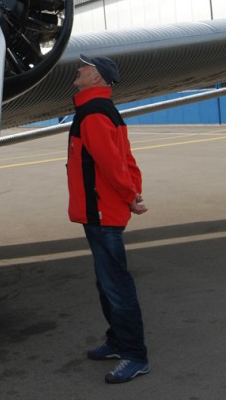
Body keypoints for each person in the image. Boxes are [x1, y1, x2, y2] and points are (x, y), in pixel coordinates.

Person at [66, 54, 150, 384]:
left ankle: (135, 355)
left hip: (101, 212)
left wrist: (130, 196)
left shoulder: (93, 114)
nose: (79, 69)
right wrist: (134, 193)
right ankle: (117, 342)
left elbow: (113, 163)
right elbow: (125, 157)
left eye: (84, 67)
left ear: (98, 77)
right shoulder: (100, 110)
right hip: (100, 209)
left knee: (116, 286)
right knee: (107, 282)